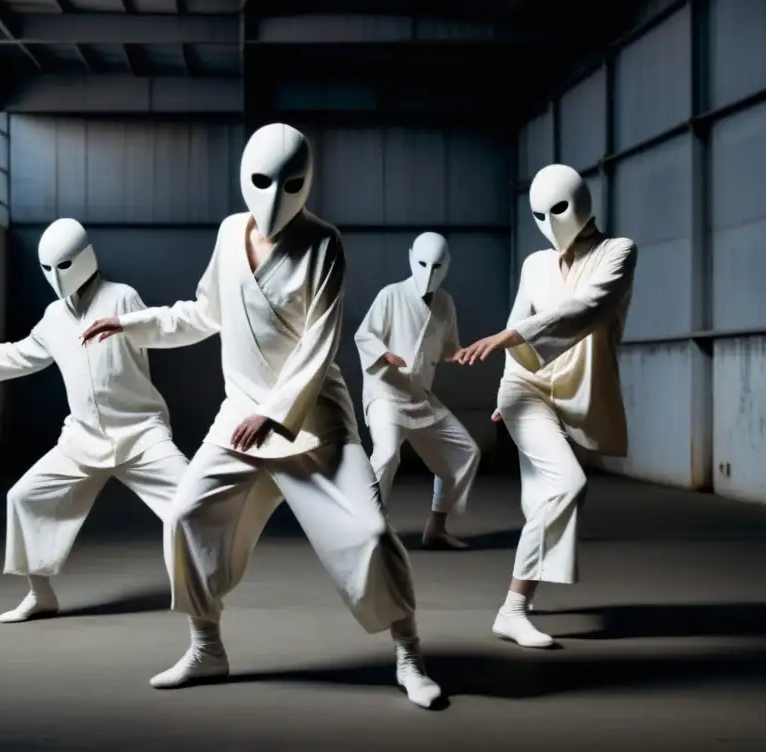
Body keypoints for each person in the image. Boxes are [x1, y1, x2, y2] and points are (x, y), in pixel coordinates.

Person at [82, 123, 442, 708]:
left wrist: (277, 414)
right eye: (261, 182)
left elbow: (319, 344)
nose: (274, 197)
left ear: (309, 183)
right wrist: (132, 322)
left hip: (315, 416)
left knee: (372, 535)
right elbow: (204, 313)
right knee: (186, 517)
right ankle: (206, 648)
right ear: (243, 179)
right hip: (240, 415)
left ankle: (409, 653)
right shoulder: (229, 235)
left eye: (291, 183)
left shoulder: (325, 243)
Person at [0, 218, 189, 624]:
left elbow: (156, 329)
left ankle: (197, 589)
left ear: (85, 259)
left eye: (64, 265)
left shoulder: (123, 298)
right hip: (82, 437)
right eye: (49, 268)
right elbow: (26, 351)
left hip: (141, 431)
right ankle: (40, 594)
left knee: (191, 501)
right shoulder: (54, 316)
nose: (57, 277)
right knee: (22, 497)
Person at [450, 164, 637, 648]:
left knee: (543, 498)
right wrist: (505, 390)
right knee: (567, 484)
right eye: (538, 214)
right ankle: (511, 609)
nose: (550, 223)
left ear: (582, 202)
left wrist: (507, 336)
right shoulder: (535, 264)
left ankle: (524, 601)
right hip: (525, 389)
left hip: (575, 393)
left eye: (558, 209)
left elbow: (586, 309)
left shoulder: (618, 253)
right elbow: (519, 323)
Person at [355, 232, 480, 550]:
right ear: (411, 257)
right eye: (424, 263)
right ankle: (369, 526)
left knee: (464, 452)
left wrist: (460, 354)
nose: (429, 272)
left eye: (437, 265)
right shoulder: (391, 295)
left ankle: (436, 527)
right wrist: (384, 355)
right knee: (386, 454)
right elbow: (364, 335)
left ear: (447, 265)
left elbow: (448, 346)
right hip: (386, 390)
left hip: (419, 396)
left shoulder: (445, 304)